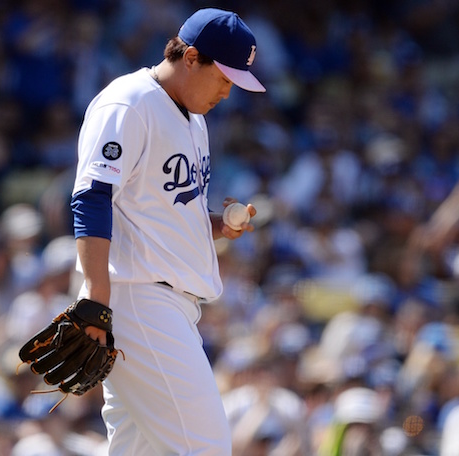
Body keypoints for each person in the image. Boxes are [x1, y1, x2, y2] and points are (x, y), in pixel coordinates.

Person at [69, 8, 264, 455]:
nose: (228, 90)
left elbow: (157, 208)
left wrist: (215, 223)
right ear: (191, 56)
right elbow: (92, 197)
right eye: (225, 76)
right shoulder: (130, 103)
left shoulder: (194, 118)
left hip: (167, 302)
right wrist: (96, 299)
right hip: (140, 298)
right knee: (207, 447)